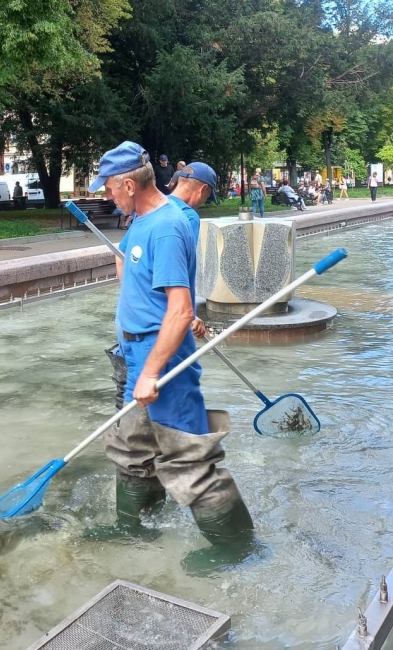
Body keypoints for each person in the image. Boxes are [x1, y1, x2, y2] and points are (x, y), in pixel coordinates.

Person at [91, 141, 253, 571]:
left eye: (109, 187)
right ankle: (133, 526)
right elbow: (132, 272)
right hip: (136, 350)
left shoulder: (166, 226)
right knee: (133, 446)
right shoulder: (141, 221)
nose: (107, 195)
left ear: (129, 183)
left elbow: (180, 310)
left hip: (160, 357)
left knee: (188, 454)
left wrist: (151, 371)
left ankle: (237, 548)